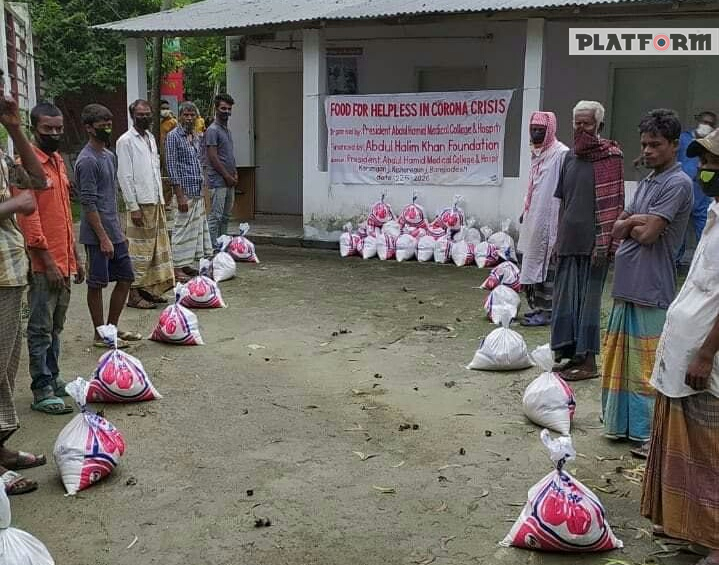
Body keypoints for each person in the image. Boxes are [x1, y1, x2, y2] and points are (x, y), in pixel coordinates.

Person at [641, 127, 719, 565]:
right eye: (704, 163)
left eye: (712, 164)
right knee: (686, 449)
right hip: (686, 354)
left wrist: (707, 352)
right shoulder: (714, 216)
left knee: (709, 452)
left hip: (706, 360)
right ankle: (696, 532)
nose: (704, 171)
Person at [602, 109, 692, 455]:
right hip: (627, 285)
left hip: (652, 288)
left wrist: (631, 224)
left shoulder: (678, 184)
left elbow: (650, 234)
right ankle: (622, 427)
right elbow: (622, 223)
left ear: (673, 145)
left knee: (645, 368)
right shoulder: (648, 182)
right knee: (619, 360)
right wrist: (633, 222)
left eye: (655, 144)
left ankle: (648, 434)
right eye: (644, 144)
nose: (648, 150)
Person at [12, 102, 84, 415]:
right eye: (47, 130)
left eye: (58, 129)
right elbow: (30, 220)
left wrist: (74, 256)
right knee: (40, 328)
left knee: (56, 326)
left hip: (64, 261)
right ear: (33, 129)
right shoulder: (26, 166)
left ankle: (53, 378)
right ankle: (41, 386)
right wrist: (49, 261)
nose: (54, 134)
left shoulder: (58, 162)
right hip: (44, 266)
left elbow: (64, 215)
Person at [0, 75, 54, 494]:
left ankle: (1, 451)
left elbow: (40, 182)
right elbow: (26, 199)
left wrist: (15, 128)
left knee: (6, 369)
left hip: (10, 272)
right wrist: (12, 205)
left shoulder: (2, 151)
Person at [551, 100, 624, 381]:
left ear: (599, 126)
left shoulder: (611, 156)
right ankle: (570, 356)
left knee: (588, 304)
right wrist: (558, 240)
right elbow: (563, 201)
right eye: (577, 123)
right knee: (565, 302)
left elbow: (615, 203)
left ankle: (589, 362)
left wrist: (604, 243)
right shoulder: (569, 158)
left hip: (596, 245)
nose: (581, 128)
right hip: (569, 241)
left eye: (587, 123)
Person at [76, 104, 140, 348]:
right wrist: (102, 237)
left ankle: (111, 328)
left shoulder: (109, 156)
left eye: (108, 124)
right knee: (97, 283)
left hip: (114, 231)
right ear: (89, 128)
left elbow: (111, 197)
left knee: (125, 278)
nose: (107, 129)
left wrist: (118, 232)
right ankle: (99, 333)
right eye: (101, 125)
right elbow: (89, 203)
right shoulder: (87, 161)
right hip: (96, 235)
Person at [117, 99, 175, 310]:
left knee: (156, 251)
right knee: (139, 252)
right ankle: (132, 294)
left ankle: (150, 290)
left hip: (155, 200)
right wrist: (133, 207)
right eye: (140, 114)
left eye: (148, 113)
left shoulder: (150, 137)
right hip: (140, 204)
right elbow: (124, 175)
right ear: (133, 116)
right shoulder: (125, 141)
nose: (145, 117)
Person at [518, 111, 569, 327]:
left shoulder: (561, 154)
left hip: (550, 217)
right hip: (534, 216)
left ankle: (548, 312)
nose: (536, 134)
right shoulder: (537, 153)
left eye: (541, 130)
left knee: (547, 263)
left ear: (550, 131)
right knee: (529, 259)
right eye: (533, 129)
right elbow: (533, 186)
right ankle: (537, 307)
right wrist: (525, 210)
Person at [165, 101, 212, 282]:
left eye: (192, 115)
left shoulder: (195, 136)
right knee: (181, 231)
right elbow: (171, 165)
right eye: (186, 114)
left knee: (195, 231)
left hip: (197, 190)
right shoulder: (173, 136)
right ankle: (176, 268)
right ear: (179, 116)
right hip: (184, 192)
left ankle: (185, 264)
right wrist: (179, 194)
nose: (190, 118)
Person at [676, 111, 717, 264]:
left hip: (703, 195)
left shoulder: (713, 143)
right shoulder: (684, 139)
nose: (706, 126)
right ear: (698, 121)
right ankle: (675, 261)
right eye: (704, 122)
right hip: (684, 192)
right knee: (679, 231)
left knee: (705, 231)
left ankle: (704, 262)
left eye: (710, 124)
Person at [204, 93, 237, 248]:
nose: (226, 112)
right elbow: (213, 156)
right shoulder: (212, 130)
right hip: (218, 181)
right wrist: (226, 176)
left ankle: (222, 245)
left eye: (229, 109)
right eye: (223, 108)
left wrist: (234, 173)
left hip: (229, 180)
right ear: (216, 108)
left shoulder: (227, 130)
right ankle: (212, 248)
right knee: (215, 217)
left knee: (226, 216)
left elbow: (229, 154)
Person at [160, 99, 178, 209]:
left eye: (167, 108)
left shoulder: (173, 122)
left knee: (166, 178)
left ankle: (167, 202)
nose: (165, 111)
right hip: (157, 152)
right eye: (163, 108)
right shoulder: (156, 122)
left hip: (167, 153)